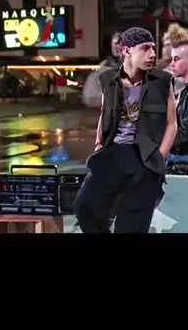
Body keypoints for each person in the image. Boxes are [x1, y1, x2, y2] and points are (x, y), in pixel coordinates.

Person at [74, 27, 178, 233]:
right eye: (145, 49)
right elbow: (105, 114)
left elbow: (172, 124)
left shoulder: (162, 82)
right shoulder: (108, 80)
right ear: (127, 51)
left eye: (153, 48)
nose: (152, 54)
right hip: (112, 151)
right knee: (84, 207)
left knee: (131, 223)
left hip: (143, 155)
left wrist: (159, 157)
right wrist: (99, 145)